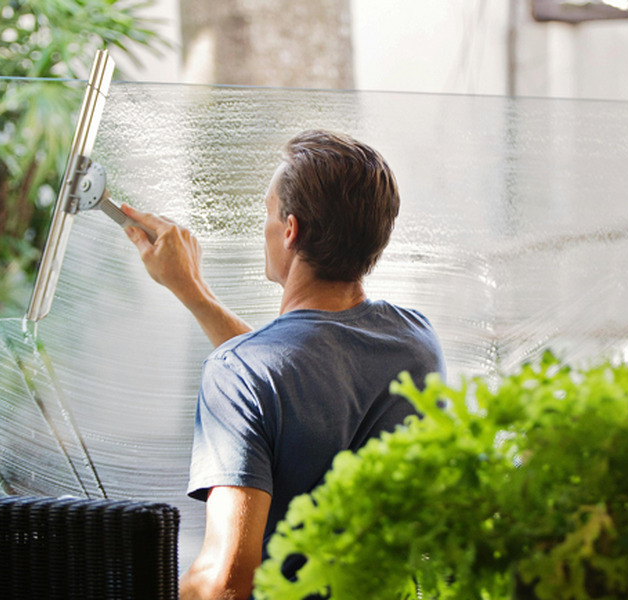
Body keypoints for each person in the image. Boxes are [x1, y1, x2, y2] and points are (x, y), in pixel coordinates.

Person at [122, 129, 445, 600]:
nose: (265, 225)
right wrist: (194, 292)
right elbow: (298, 373)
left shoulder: (240, 373)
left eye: (268, 212)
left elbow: (225, 582)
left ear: (291, 230)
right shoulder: (416, 341)